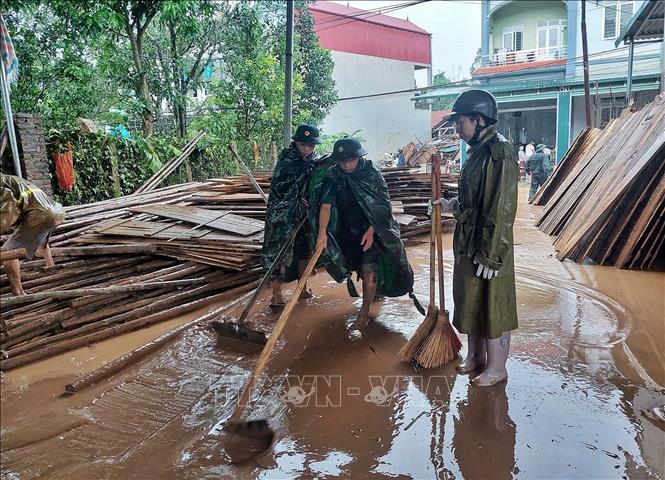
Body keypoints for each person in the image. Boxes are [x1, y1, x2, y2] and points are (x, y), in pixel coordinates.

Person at [438, 89, 519, 387]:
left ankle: (497, 368)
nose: (457, 128)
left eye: (460, 122)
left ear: (480, 119)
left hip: (490, 244)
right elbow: (472, 201)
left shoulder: (500, 152)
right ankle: (475, 357)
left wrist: (492, 253)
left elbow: (501, 208)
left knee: (492, 303)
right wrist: (451, 207)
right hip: (470, 240)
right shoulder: (476, 152)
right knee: (470, 298)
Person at [314, 137, 420, 339]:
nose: (346, 165)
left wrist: (372, 231)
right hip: (348, 229)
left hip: (375, 228)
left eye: (350, 160)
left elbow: (382, 206)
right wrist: (322, 234)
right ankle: (374, 293)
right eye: (342, 161)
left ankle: (364, 314)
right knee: (357, 266)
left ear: (358, 157)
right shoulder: (333, 175)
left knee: (369, 268)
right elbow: (325, 206)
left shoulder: (372, 174)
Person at [262, 124, 326, 307]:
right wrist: (296, 200)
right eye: (304, 145)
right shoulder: (287, 160)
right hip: (283, 217)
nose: (307, 149)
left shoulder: (313, 161)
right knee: (280, 253)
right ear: (296, 142)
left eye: (311, 146)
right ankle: (276, 294)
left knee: (304, 250)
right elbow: (281, 190)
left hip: (304, 215)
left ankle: (303, 288)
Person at [1, 173, 66, 296]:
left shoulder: (1, 186)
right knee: (41, 237)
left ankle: (18, 293)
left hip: (42, 215)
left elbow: (7, 215)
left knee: (8, 254)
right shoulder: (11, 179)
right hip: (57, 211)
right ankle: (50, 265)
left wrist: (4, 226)